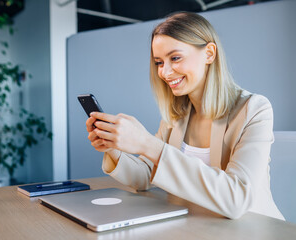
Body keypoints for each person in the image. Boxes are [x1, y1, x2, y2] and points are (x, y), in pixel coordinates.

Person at [86, 12, 284, 220]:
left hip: (253, 228)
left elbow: (237, 199)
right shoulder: (177, 116)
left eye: (175, 58)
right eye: (159, 62)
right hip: (199, 226)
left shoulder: (255, 110)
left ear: (209, 53)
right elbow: (145, 175)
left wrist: (148, 144)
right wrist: (112, 150)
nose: (165, 72)